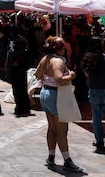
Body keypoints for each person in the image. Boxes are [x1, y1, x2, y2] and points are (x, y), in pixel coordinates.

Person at [35, 36, 82, 172]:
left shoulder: (46, 58)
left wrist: (47, 78)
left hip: (46, 93)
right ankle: (67, 160)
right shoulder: (58, 62)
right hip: (56, 95)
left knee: (52, 128)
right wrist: (71, 75)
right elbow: (59, 79)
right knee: (62, 130)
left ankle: (51, 156)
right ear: (60, 48)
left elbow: (38, 74)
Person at [81, 37, 105, 151]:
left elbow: (87, 75)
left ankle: (99, 141)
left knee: (96, 117)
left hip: (94, 90)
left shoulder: (88, 59)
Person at [7, 25, 33, 117]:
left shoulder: (13, 40)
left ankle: (20, 108)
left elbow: (12, 52)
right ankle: (26, 107)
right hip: (23, 67)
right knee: (23, 87)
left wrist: (15, 61)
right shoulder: (23, 40)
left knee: (17, 88)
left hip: (16, 67)